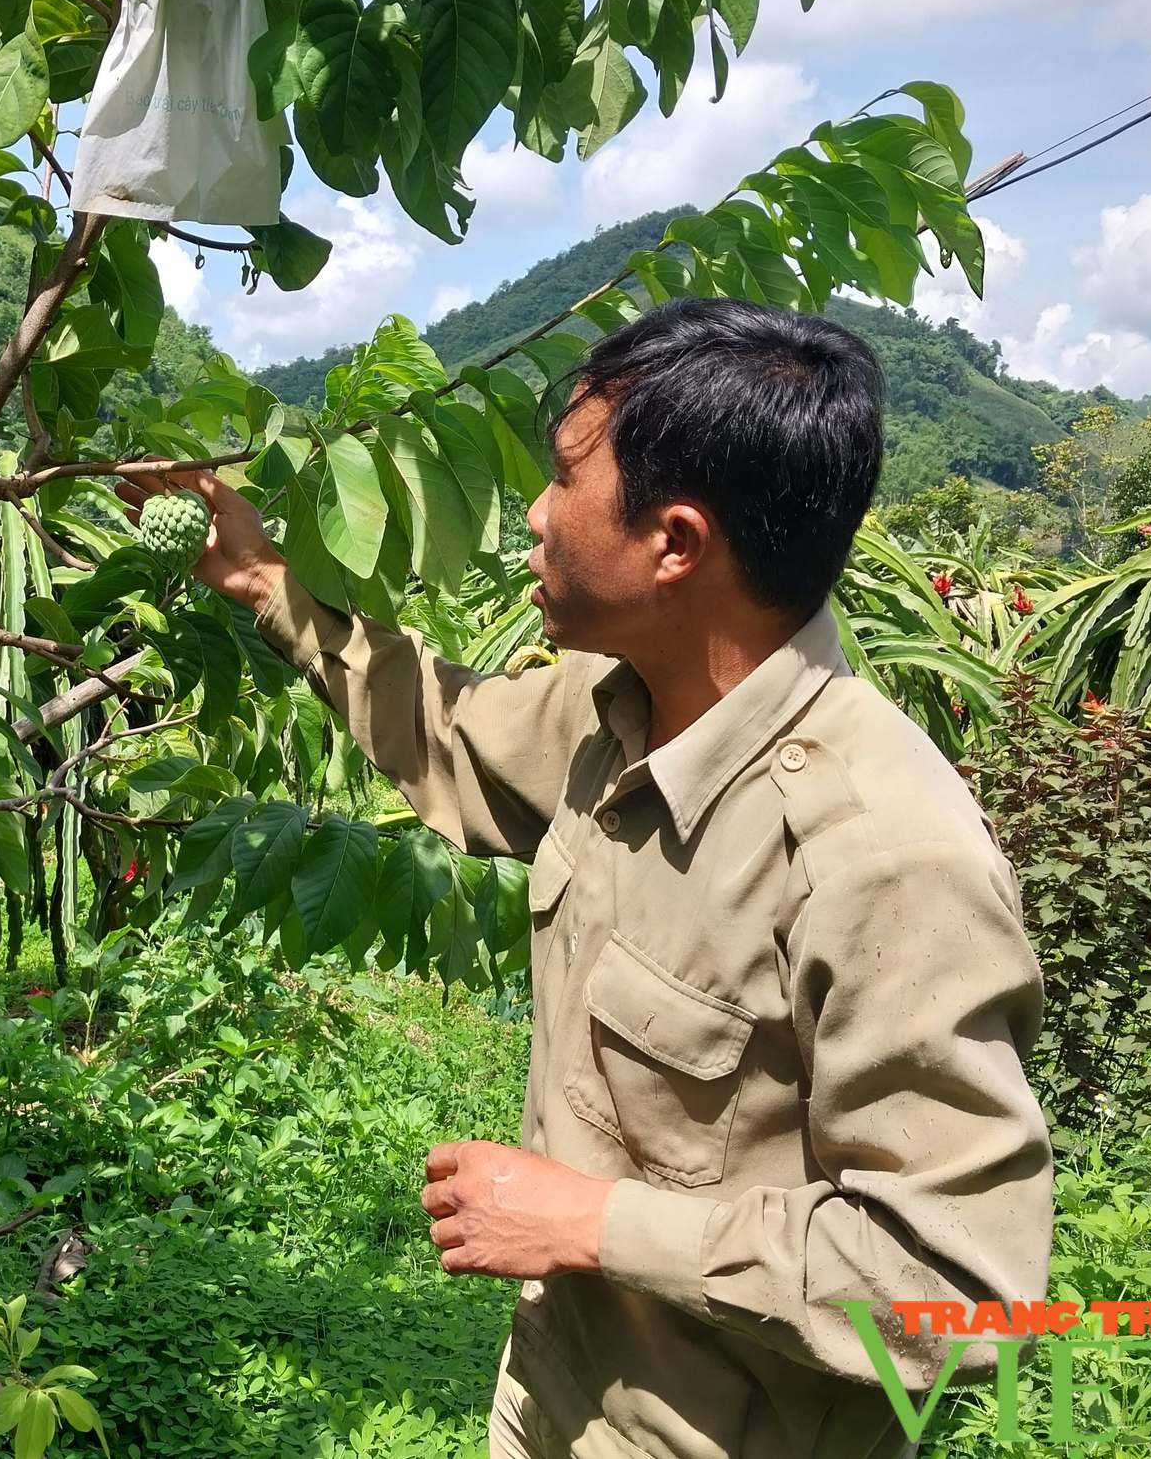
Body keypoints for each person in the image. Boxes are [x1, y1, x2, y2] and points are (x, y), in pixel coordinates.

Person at [122, 298, 1053, 1459]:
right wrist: (265, 583)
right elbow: (445, 727)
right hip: (555, 1404)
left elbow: (960, 1290)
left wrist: (597, 1222)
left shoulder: (880, 858)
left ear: (673, 542)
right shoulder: (616, 714)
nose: (531, 513)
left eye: (563, 478)